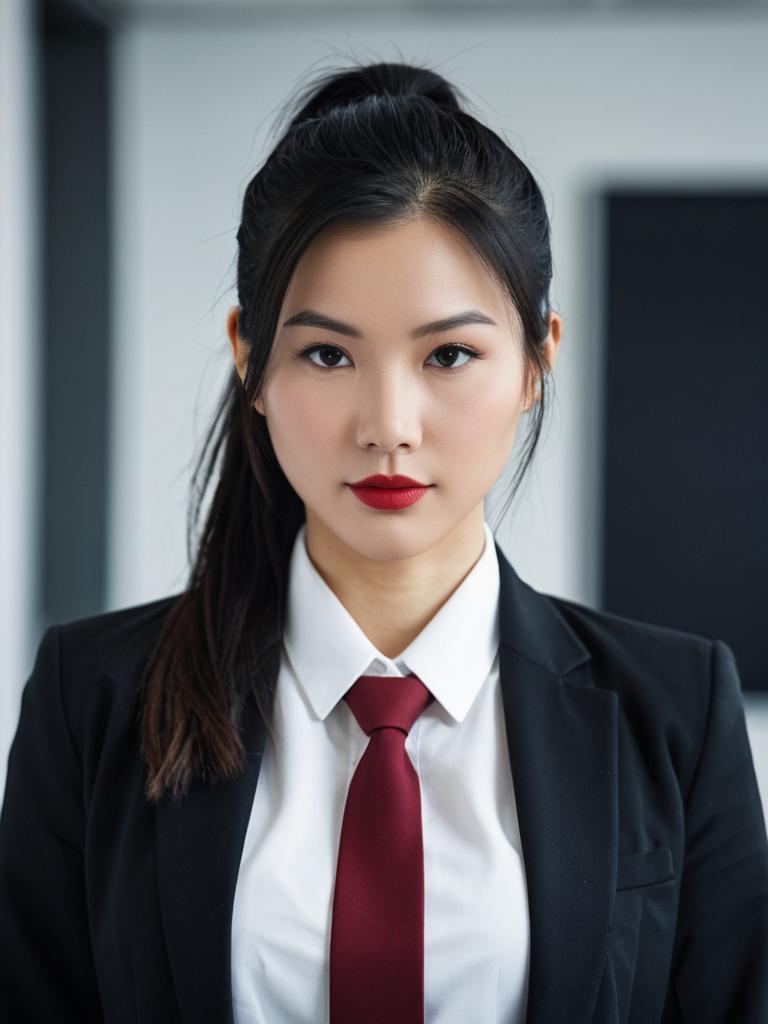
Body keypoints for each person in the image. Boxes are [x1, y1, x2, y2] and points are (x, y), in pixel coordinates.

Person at [1, 58, 767, 1024]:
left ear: (538, 361)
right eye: (328, 353)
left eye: (449, 354)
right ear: (251, 357)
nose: (388, 423)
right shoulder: (93, 703)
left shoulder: (676, 715)